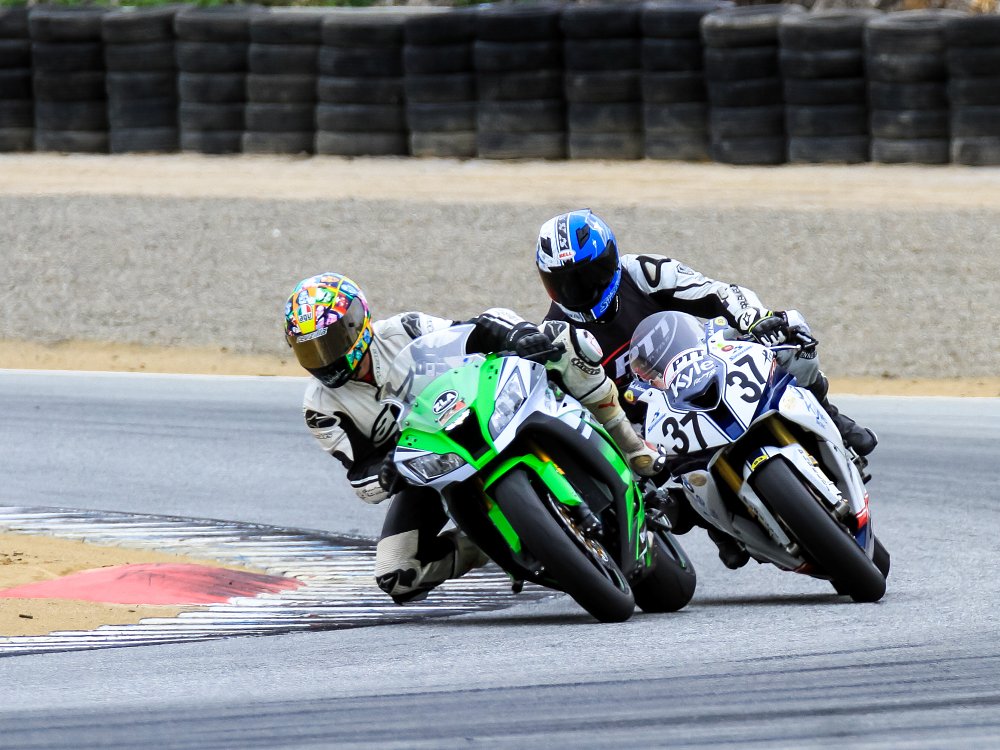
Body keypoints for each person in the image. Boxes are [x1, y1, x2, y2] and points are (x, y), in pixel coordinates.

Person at [284, 272, 660, 604]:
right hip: (425, 465)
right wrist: (385, 472)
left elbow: (470, 331)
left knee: (563, 346)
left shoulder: (404, 328)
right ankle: (488, 538)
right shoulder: (320, 407)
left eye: (328, 343)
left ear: (356, 324)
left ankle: (633, 449)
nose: (323, 359)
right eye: (309, 350)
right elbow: (358, 474)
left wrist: (515, 334)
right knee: (396, 574)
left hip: (475, 409)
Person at [535, 210, 877, 569]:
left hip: (703, 364)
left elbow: (716, 292)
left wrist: (755, 319)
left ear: (611, 259)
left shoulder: (643, 272)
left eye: (589, 275)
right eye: (565, 283)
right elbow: (574, 411)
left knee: (792, 332)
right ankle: (719, 525)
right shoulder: (556, 336)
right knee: (650, 494)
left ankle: (833, 419)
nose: (580, 290)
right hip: (648, 422)